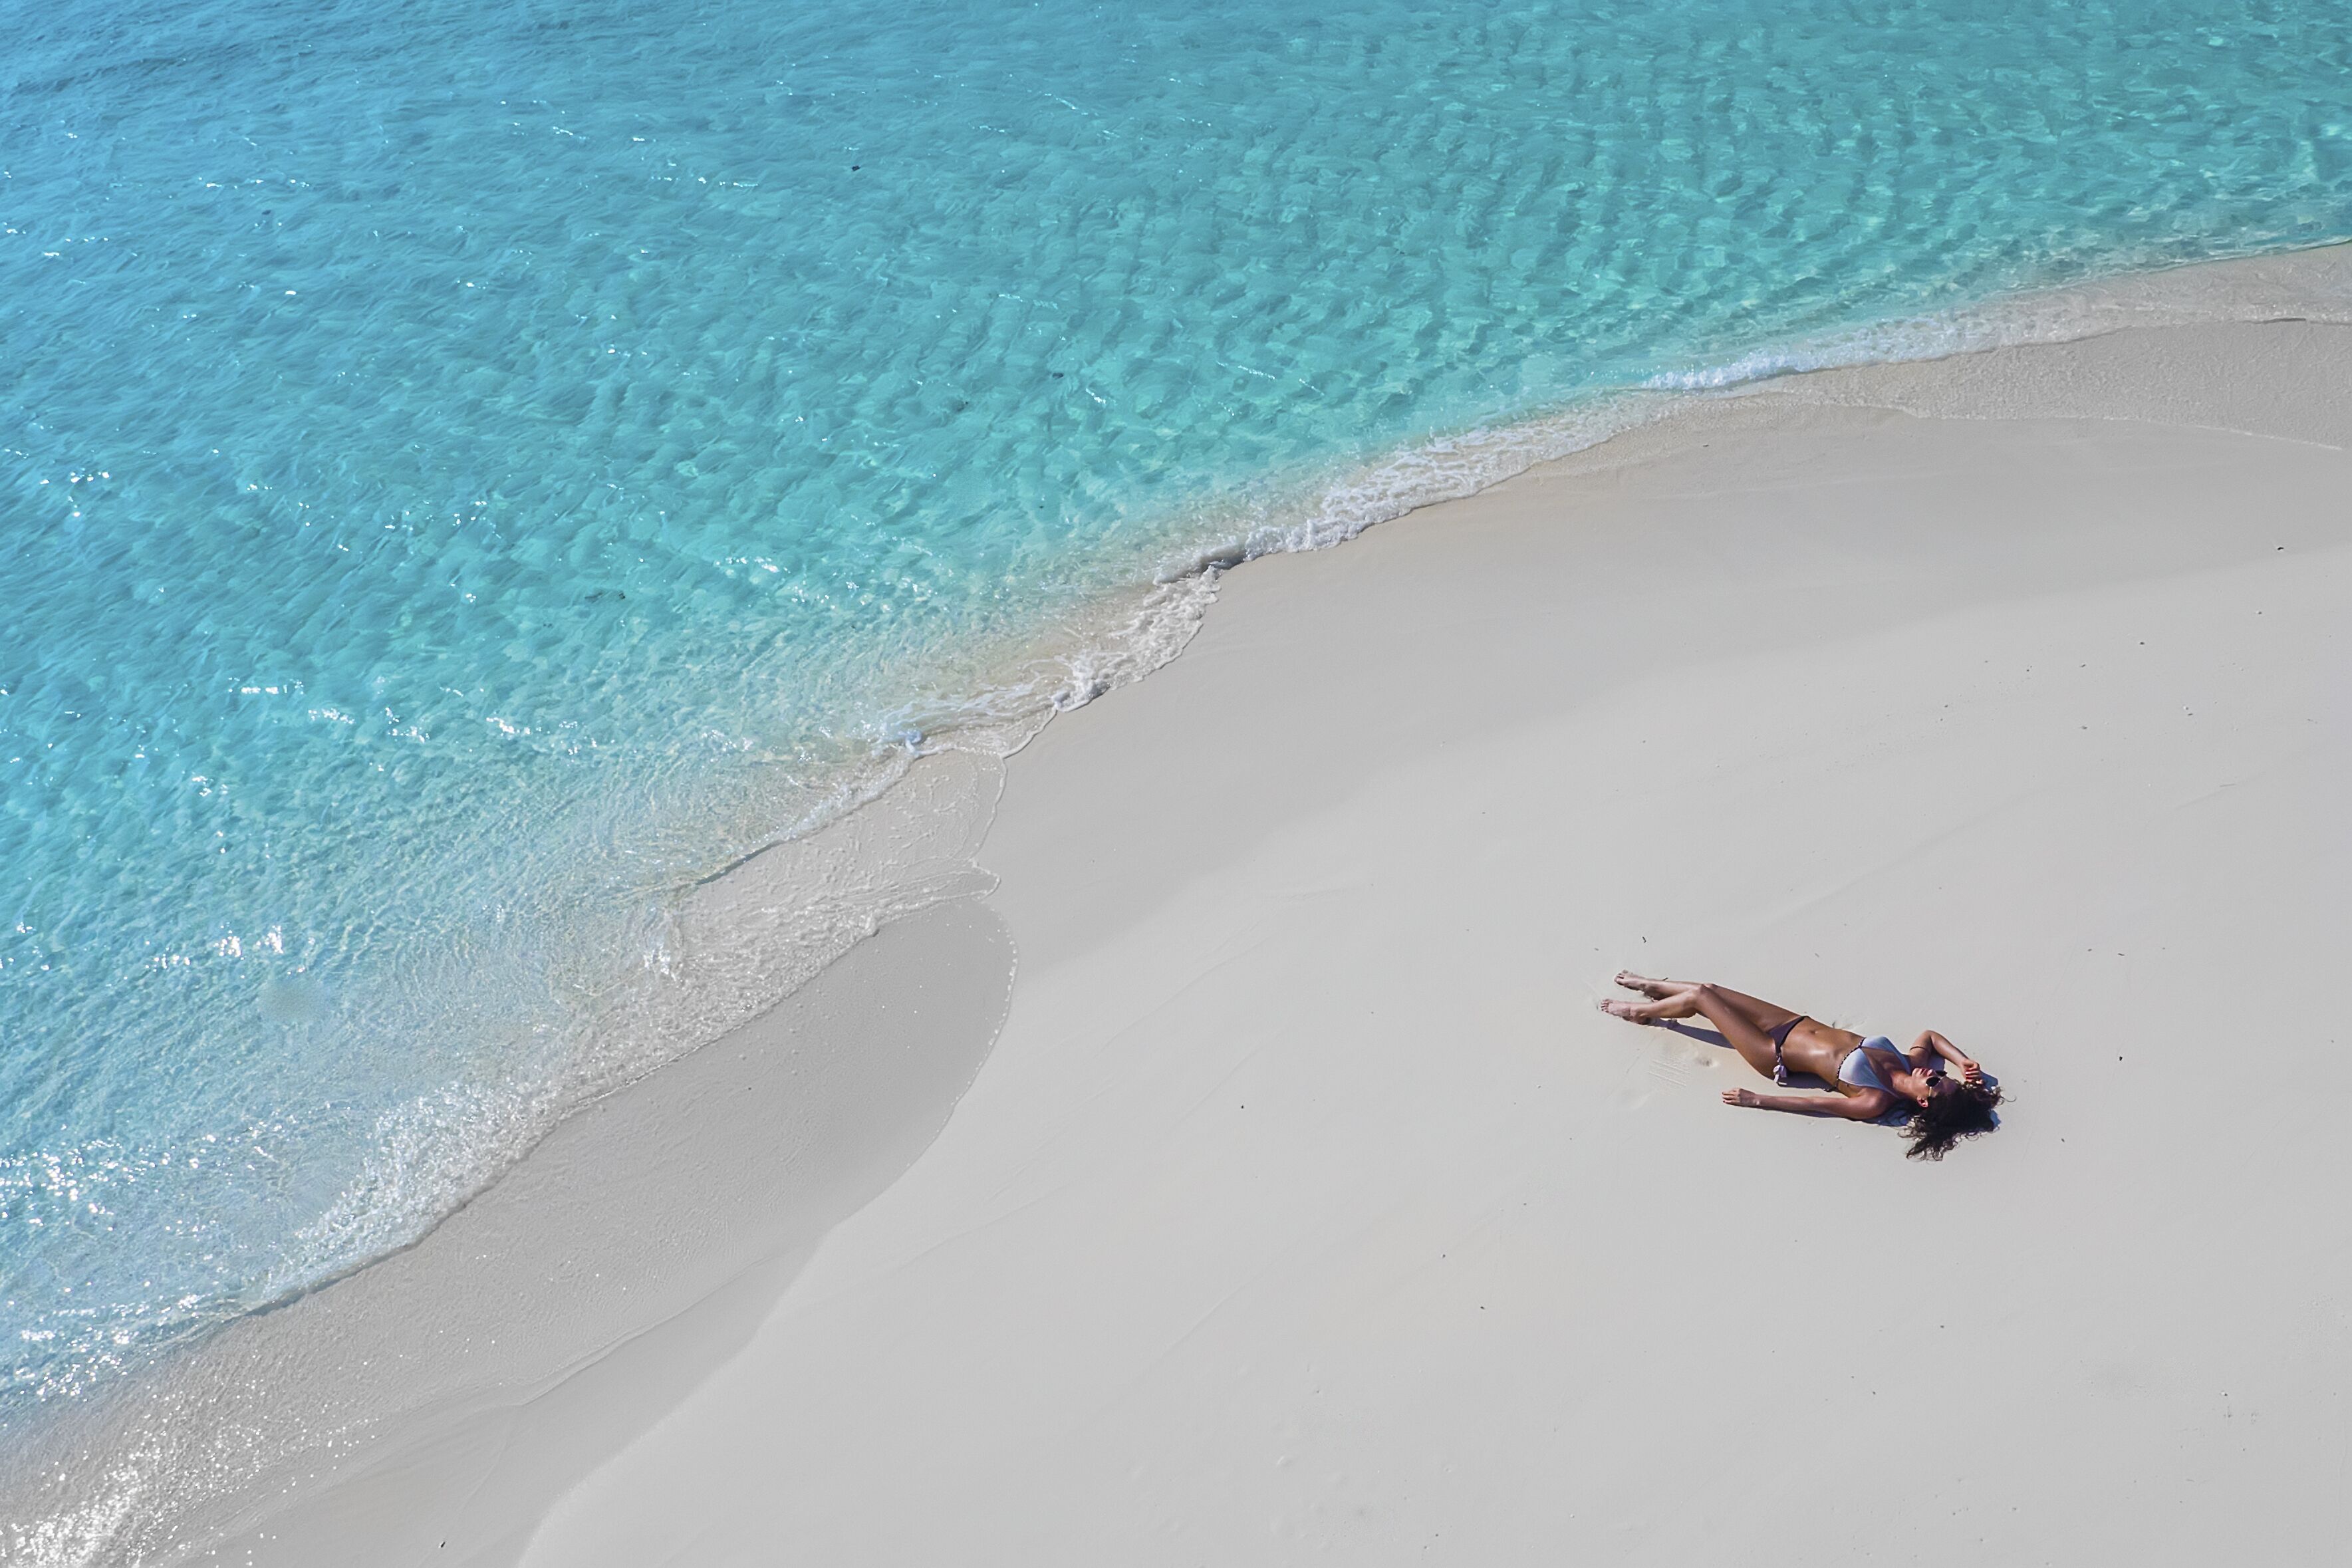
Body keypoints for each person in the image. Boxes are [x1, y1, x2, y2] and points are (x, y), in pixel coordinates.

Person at [1599, 974, 2002, 1160]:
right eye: (1941, 1075)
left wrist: (1759, 1100)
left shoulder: (1875, 1101)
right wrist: (1963, 1060)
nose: (1932, 1072)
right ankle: (1654, 989)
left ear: (1925, 1105)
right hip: (1791, 1022)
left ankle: (1640, 1010)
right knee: (1714, 990)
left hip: (1770, 1053)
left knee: (1704, 997)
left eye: (1934, 1083)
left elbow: (1817, 1106)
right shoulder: (1910, 1062)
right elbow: (1930, 1036)